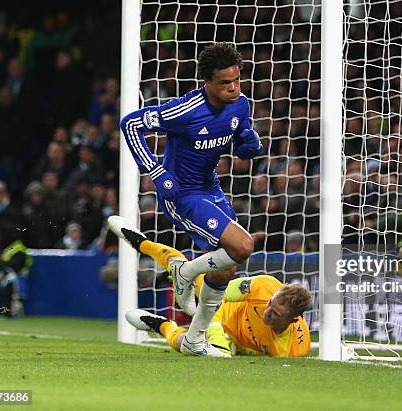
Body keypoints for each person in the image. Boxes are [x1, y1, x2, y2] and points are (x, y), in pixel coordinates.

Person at [117, 42, 263, 356]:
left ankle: (195, 339)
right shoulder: (184, 111)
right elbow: (130, 124)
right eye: (225, 83)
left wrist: (248, 145)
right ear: (206, 82)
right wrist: (155, 171)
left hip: (210, 189)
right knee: (243, 246)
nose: (233, 88)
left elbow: (240, 139)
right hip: (180, 193)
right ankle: (184, 272)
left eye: (237, 80)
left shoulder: (241, 104)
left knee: (225, 270)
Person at [124, 248, 311, 358]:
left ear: (294, 320)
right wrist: (213, 325)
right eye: (270, 304)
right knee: (208, 285)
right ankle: (170, 263)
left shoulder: (294, 349)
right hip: (222, 314)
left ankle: (161, 325)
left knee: (187, 346)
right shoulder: (265, 286)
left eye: (276, 314)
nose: (267, 311)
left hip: (235, 342)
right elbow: (219, 291)